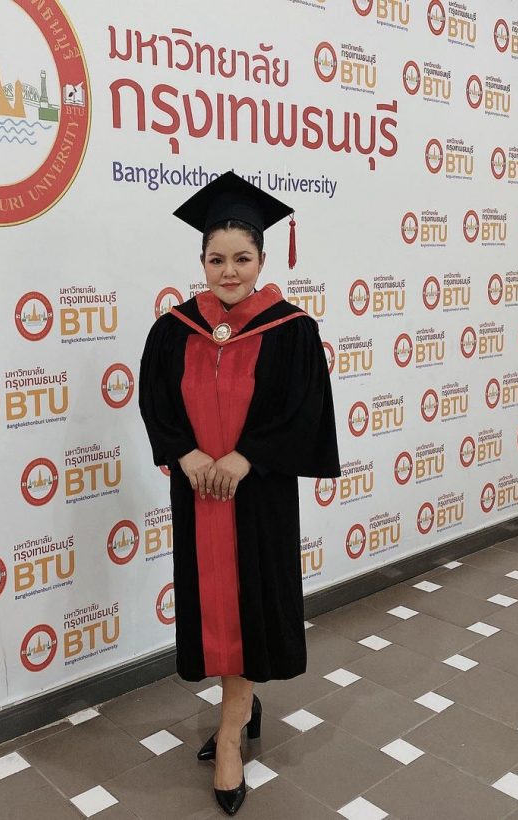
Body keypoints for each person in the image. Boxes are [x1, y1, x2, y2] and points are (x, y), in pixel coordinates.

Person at [138, 172, 340, 815]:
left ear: (262, 259)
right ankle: (241, 708)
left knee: (250, 601)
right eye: (217, 259)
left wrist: (246, 457)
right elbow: (157, 402)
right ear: (201, 261)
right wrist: (188, 454)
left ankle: (230, 735)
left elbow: (302, 411)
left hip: (258, 496)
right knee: (213, 605)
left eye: (242, 258)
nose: (229, 271)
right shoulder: (174, 329)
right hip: (198, 492)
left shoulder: (290, 330)